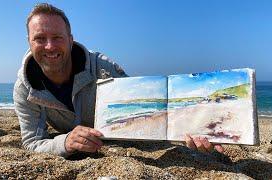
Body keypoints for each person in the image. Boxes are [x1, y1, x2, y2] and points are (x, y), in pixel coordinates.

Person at [14, 3, 223, 158]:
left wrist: (191, 129)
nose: (49, 46)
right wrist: (66, 141)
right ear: (29, 42)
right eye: (40, 38)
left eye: (57, 37)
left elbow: (148, 115)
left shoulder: (103, 68)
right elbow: (32, 142)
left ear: (70, 39)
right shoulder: (25, 87)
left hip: (115, 140)